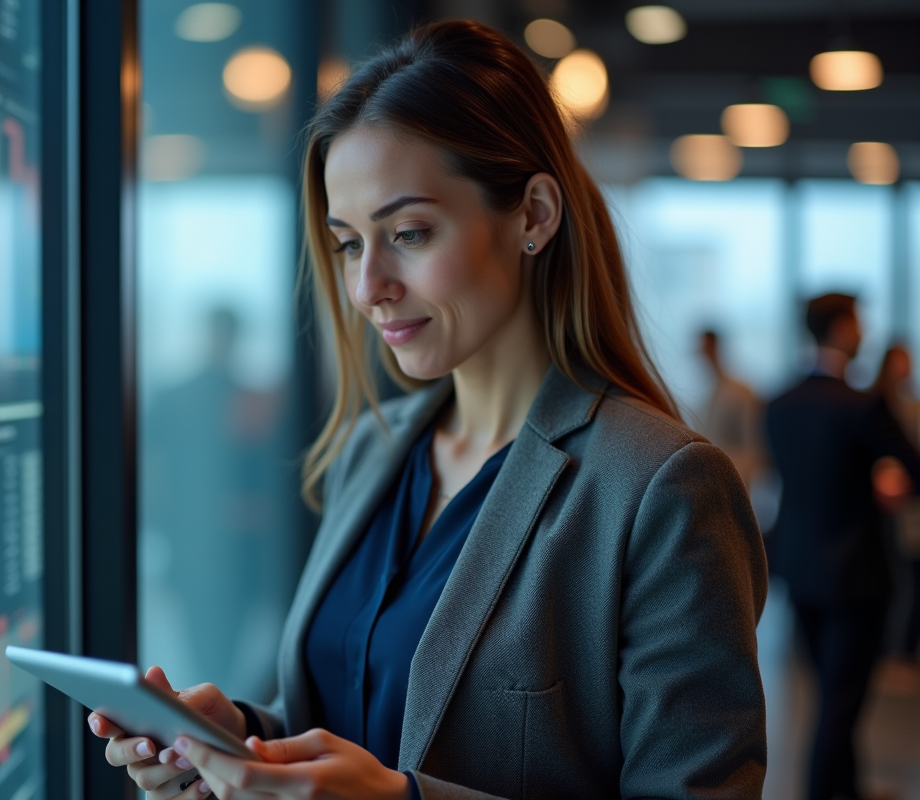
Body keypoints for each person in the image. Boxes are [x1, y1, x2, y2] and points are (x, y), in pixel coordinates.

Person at [93, 20, 768, 800]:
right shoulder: (369, 452)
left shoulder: (660, 488)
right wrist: (245, 741)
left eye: (408, 233)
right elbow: (367, 717)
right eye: (349, 244)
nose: (366, 287)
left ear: (534, 216)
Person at [766, 295, 920, 800]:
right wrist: (892, 486)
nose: (864, 333)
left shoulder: (779, 403)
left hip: (800, 570)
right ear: (840, 328)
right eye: (858, 323)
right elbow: (913, 469)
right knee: (842, 699)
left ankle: (846, 789)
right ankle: (821, 792)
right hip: (856, 575)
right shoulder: (861, 405)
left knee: (831, 693)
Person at [871, 343, 920, 691]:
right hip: (878, 511)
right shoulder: (871, 405)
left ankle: (899, 651)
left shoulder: (913, 406)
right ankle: (891, 651)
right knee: (895, 579)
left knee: (908, 579)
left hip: (908, 508)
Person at [697, 330, 766, 491]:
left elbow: (753, 442)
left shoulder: (739, 392)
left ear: (714, 347)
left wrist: (748, 478)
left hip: (735, 477)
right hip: (709, 478)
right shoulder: (705, 395)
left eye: (705, 347)